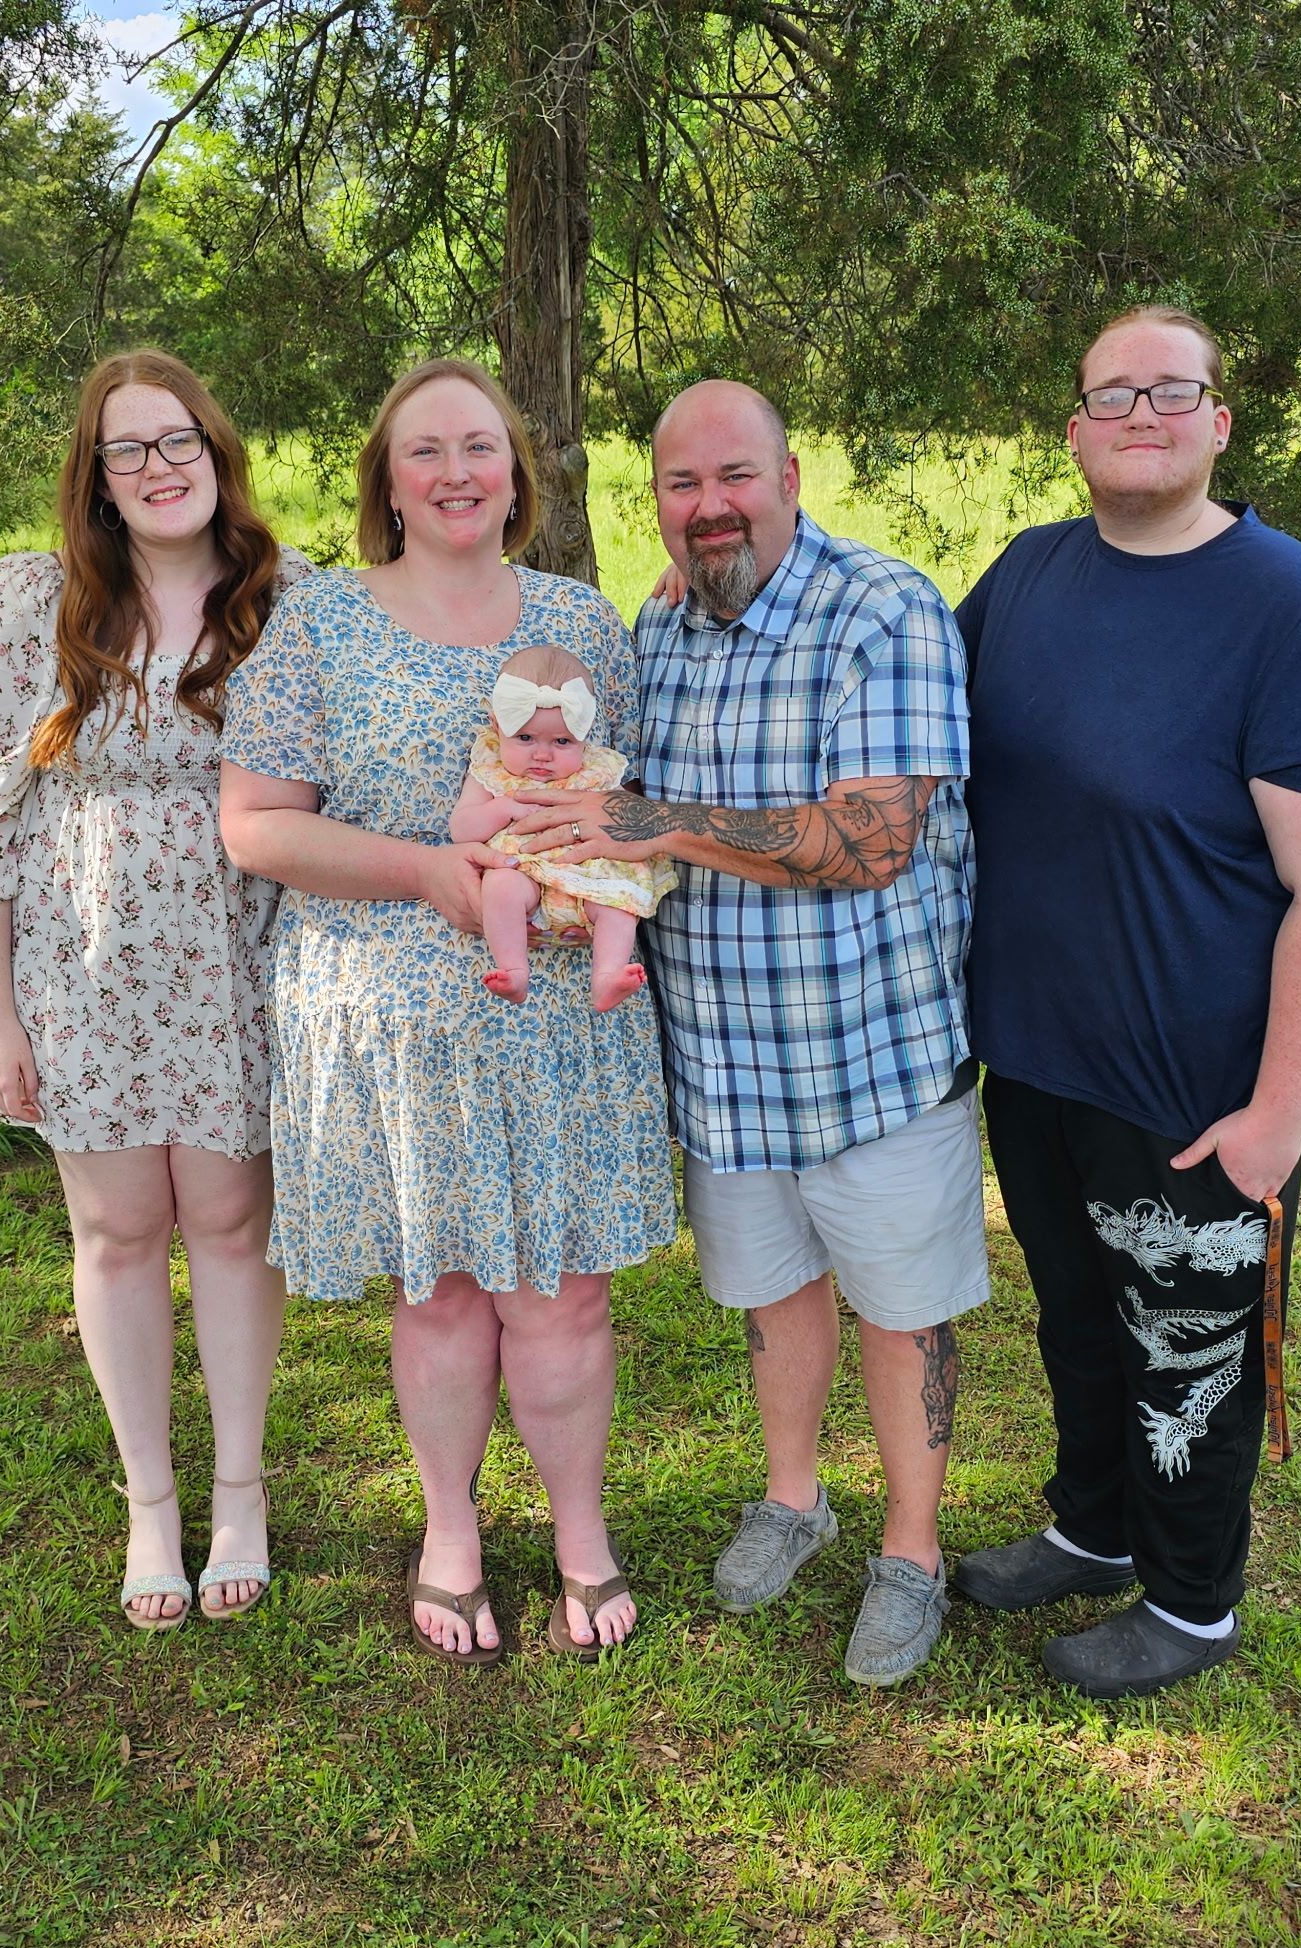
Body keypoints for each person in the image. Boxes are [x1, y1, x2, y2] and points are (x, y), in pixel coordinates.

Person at [511, 379, 988, 1687]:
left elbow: (876, 840)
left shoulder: (880, 610)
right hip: (723, 1065)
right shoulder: (659, 627)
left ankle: (911, 1550)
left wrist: (662, 826)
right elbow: (595, 796)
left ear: (790, 478)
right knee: (775, 1302)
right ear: (655, 501)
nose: (709, 506)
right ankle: (793, 1499)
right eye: (680, 484)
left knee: (904, 1311)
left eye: (734, 477)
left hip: (872, 1061)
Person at [954, 305, 1301, 1698]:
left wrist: (1279, 1114)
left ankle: (1193, 1601)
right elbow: (908, 701)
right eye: (1110, 393)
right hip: (1037, 1060)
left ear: (1219, 420)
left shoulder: (1289, 605)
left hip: (1197, 1082)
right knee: (1081, 1321)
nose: (1140, 414)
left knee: (1186, 1343)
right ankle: (1093, 1529)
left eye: (1172, 389)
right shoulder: (1026, 577)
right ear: (1077, 429)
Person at [217, 358, 675, 1665]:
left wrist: (589, 872)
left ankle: (581, 1534)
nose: (459, 471)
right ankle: (451, 1531)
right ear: (388, 484)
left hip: (559, 1027)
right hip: (392, 1022)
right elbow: (256, 827)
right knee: (443, 1303)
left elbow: (621, 799)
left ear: (517, 473)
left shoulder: (584, 624)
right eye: (427, 452)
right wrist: (431, 873)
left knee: (563, 1302)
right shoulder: (316, 625)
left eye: (481, 446)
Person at [0, 348, 312, 1630]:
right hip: (79, 971)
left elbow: (383, 731)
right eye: (127, 447)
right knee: (118, 1231)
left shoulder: (283, 597)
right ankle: (154, 1501)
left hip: (236, 964)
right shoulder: (34, 601)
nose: (158, 466)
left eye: (178, 439)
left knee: (229, 1225)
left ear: (217, 449)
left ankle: (240, 1490)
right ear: (95, 475)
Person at [450, 643, 677, 1010]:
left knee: (619, 903)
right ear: (497, 726)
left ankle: (607, 975)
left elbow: (626, 816)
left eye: (562, 741)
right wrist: (501, 808)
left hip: (590, 876)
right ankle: (513, 968)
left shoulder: (597, 769)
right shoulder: (490, 770)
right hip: (524, 872)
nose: (542, 754)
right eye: (525, 738)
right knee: (500, 887)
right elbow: (461, 828)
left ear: (584, 737)